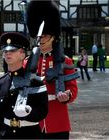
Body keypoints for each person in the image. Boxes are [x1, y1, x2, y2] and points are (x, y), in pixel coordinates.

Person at [26, 1, 78, 139]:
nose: (41, 39)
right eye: (39, 36)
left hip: (57, 121)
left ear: (54, 36)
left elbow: (73, 89)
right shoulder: (27, 62)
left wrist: (67, 95)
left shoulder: (65, 61)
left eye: (46, 36)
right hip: (33, 121)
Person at [0, 32, 48, 139]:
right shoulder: (0, 84)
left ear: (22, 54)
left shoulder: (35, 82)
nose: (8, 53)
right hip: (6, 135)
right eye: (5, 51)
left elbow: (43, 112)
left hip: (29, 134)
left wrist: (29, 112)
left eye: (12, 50)